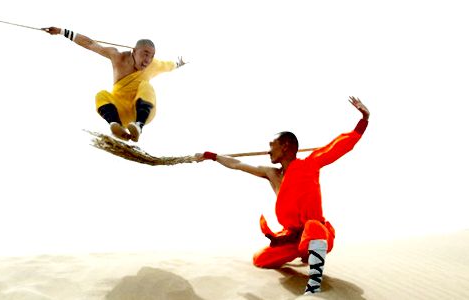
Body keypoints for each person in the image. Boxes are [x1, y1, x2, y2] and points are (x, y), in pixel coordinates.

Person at [196, 96, 370, 295]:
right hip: (292, 237)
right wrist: (214, 157)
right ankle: (305, 255)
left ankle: (314, 286)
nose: (268, 150)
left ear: (285, 146)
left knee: (313, 227)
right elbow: (237, 164)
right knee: (260, 259)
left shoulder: (309, 165)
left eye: (272, 145)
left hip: (317, 233)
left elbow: (339, 147)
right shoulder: (272, 173)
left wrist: (364, 120)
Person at [43, 26, 186, 142]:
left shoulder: (155, 64)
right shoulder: (117, 57)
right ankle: (115, 124)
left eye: (151, 55)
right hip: (120, 110)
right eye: (145, 53)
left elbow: (171, 65)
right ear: (134, 51)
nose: (148, 59)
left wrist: (181, 62)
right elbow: (91, 44)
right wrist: (62, 31)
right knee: (101, 95)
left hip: (142, 110)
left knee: (146, 86)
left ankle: (139, 126)